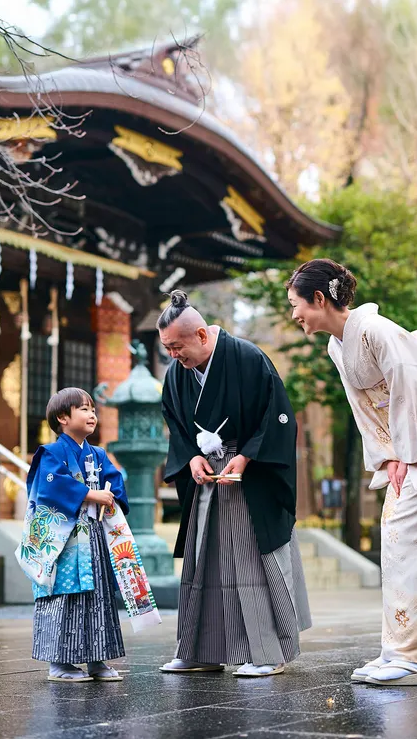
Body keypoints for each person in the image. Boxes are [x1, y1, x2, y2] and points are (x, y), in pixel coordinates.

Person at [287, 259, 417, 687]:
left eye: (296, 304)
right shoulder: (338, 344)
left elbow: (413, 388)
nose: (294, 314)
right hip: (409, 442)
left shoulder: (376, 330)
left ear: (319, 299)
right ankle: (399, 648)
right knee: (396, 536)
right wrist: (388, 456)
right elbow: (363, 409)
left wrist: (409, 455)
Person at [158, 289, 311, 678]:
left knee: (249, 563)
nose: (173, 355)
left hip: (249, 477)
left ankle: (267, 651)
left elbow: (278, 417)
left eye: (177, 346)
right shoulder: (177, 375)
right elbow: (177, 427)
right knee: (202, 563)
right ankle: (200, 650)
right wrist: (190, 456)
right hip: (208, 481)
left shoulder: (247, 358)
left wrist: (245, 457)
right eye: (168, 349)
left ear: (202, 336)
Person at [16, 387, 128, 683]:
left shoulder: (98, 454)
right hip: (63, 542)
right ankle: (59, 663)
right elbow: (50, 489)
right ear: (63, 418)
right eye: (84, 409)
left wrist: (110, 495)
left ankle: (97, 659)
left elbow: (115, 485)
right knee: (64, 595)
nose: (92, 414)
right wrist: (92, 494)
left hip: (93, 536)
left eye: (93, 409)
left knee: (99, 596)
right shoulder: (50, 454)